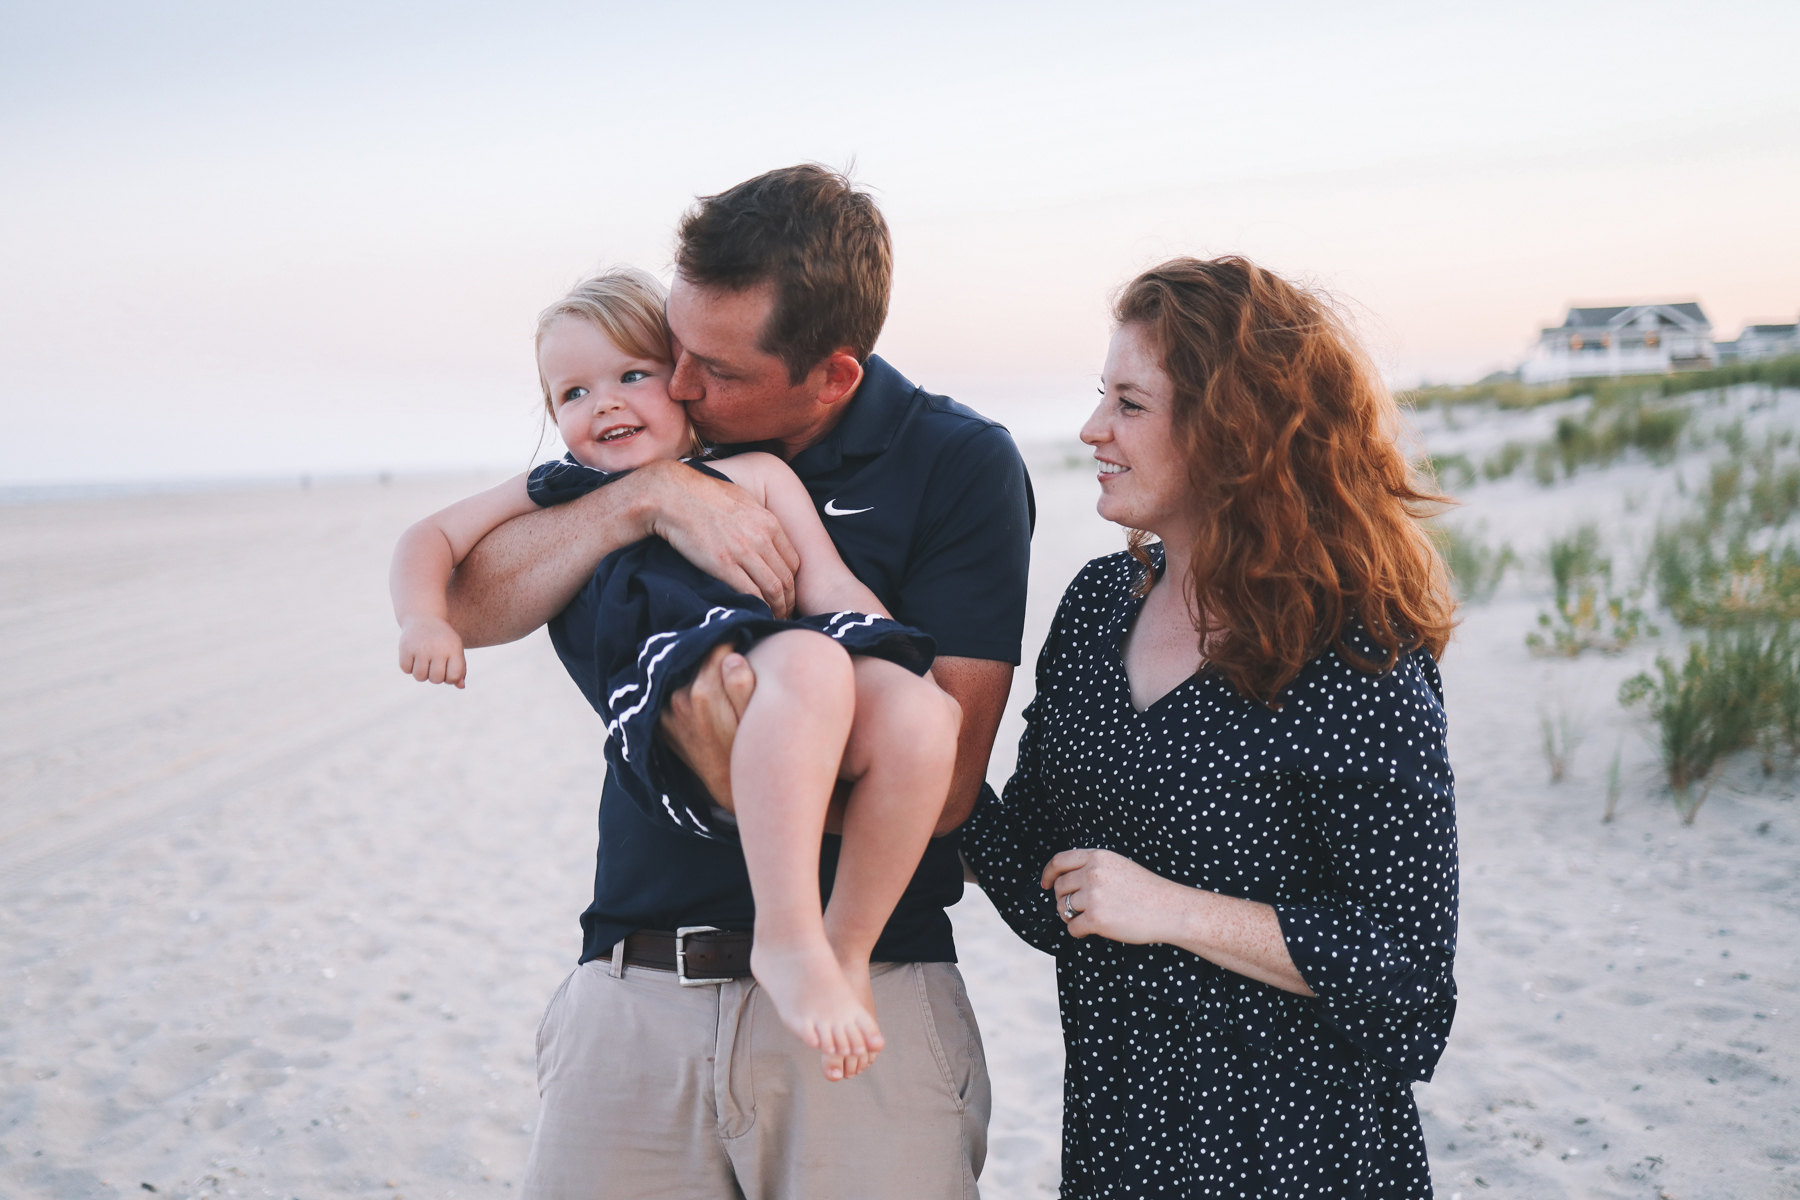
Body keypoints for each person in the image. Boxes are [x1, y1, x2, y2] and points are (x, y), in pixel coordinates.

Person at [441, 167, 1033, 1199]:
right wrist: (649, 501)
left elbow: (939, 786)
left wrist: (743, 770)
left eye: (708, 369)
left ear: (833, 376)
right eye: (672, 345)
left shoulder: (956, 463)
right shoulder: (648, 439)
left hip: (870, 987)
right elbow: (474, 603)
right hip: (635, 977)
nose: (672, 385)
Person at [962, 256, 1459, 1197]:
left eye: (1130, 404)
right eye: (1099, 396)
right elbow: (1048, 888)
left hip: (1297, 1156)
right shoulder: (1099, 605)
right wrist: (892, 758)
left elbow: (1410, 991)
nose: (1092, 429)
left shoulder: (1356, 651)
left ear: (1235, 433)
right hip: (1120, 1146)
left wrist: (1174, 912)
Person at [390, 267, 963, 1082]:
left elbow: (827, 585)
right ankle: (787, 936)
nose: (606, 404)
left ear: (686, 382)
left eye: (632, 375)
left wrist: (898, 656)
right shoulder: (565, 494)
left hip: (782, 673)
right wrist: (424, 618)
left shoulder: (756, 475)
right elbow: (430, 538)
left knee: (920, 716)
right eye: (572, 393)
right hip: (670, 706)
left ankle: (844, 951)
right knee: (807, 659)